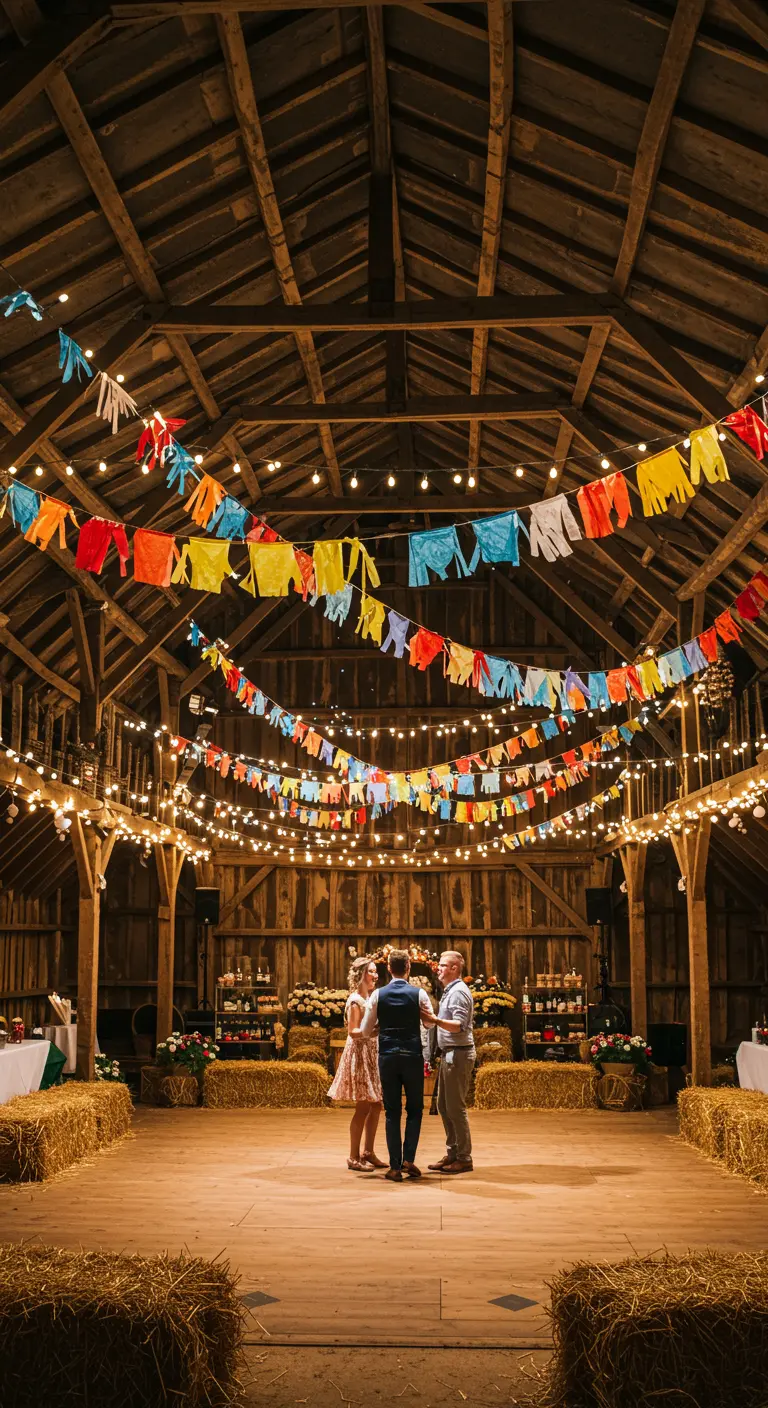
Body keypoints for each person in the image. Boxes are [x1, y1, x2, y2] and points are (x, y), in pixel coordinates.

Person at [359, 948, 434, 1181]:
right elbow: (430, 1024)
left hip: (388, 1056)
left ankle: (394, 1167)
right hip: (412, 1055)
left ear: (389, 969)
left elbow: (364, 1030)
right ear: (408, 968)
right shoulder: (419, 994)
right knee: (415, 1109)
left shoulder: (378, 995)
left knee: (392, 1111)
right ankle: (409, 1160)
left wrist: (381, 1028)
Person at [328, 957, 385, 1172]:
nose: (375, 975)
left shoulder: (369, 997)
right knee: (362, 1106)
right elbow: (352, 1031)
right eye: (371, 971)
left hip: (371, 1052)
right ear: (361, 975)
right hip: (360, 1053)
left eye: (376, 971)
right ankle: (353, 1157)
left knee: (376, 1104)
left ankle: (368, 1152)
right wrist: (374, 1031)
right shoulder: (355, 1001)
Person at [428, 950, 476, 1175]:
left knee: (456, 1107)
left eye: (443, 965)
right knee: (444, 1106)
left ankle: (464, 1157)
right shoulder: (450, 991)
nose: (438, 968)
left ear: (455, 968)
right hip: (450, 1053)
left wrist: (435, 1020)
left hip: (458, 1053)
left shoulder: (458, 992)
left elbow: (459, 1025)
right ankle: (453, 1153)